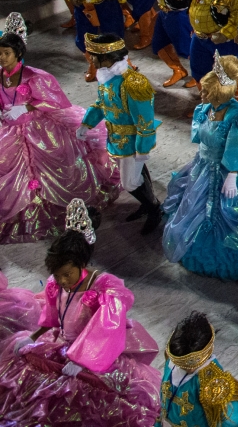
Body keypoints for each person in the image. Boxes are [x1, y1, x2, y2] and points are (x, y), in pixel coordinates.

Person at [0, 202, 161, 427]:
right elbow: (52, 318)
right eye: (57, 276)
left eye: (67, 274)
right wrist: (33, 337)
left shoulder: (107, 289)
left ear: (82, 264)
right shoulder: (55, 284)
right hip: (63, 346)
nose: (62, 281)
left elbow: (106, 330)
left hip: (97, 356)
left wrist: (83, 362)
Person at [161, 55, 238, 280]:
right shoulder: (205, 108)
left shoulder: (236, 116)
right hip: (203, 167)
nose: (201, 93)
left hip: (226, 172)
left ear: (219, 92)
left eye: (206, 91)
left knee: (226, 213)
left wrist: (233, 175)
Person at [0, 24, 119, 242]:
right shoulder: (0, 75)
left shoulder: (34, 76)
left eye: (6, 53)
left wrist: (26, 107)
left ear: (18, 54)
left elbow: (54, 100)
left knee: (57, 164)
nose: (2, 58)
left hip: (39, 129)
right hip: (11, 131)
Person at [77, 33, 162, 233]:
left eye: (93, 56)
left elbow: (145, 121)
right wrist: (86, 124)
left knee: (130, 182)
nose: (90, 59)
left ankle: (154, 208)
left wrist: (143, 148)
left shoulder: (132, 83)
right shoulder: (107, 76)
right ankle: (148, 203)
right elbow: (102, 103)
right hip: (117, 139)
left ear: (107, 58)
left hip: (133, 141)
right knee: (137, 174)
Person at [159, 312, 238, 427]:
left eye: (189, 364)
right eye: (180, 363)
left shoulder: (213, 382)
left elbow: (234, 421)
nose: (186, 368)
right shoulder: (174, 358)